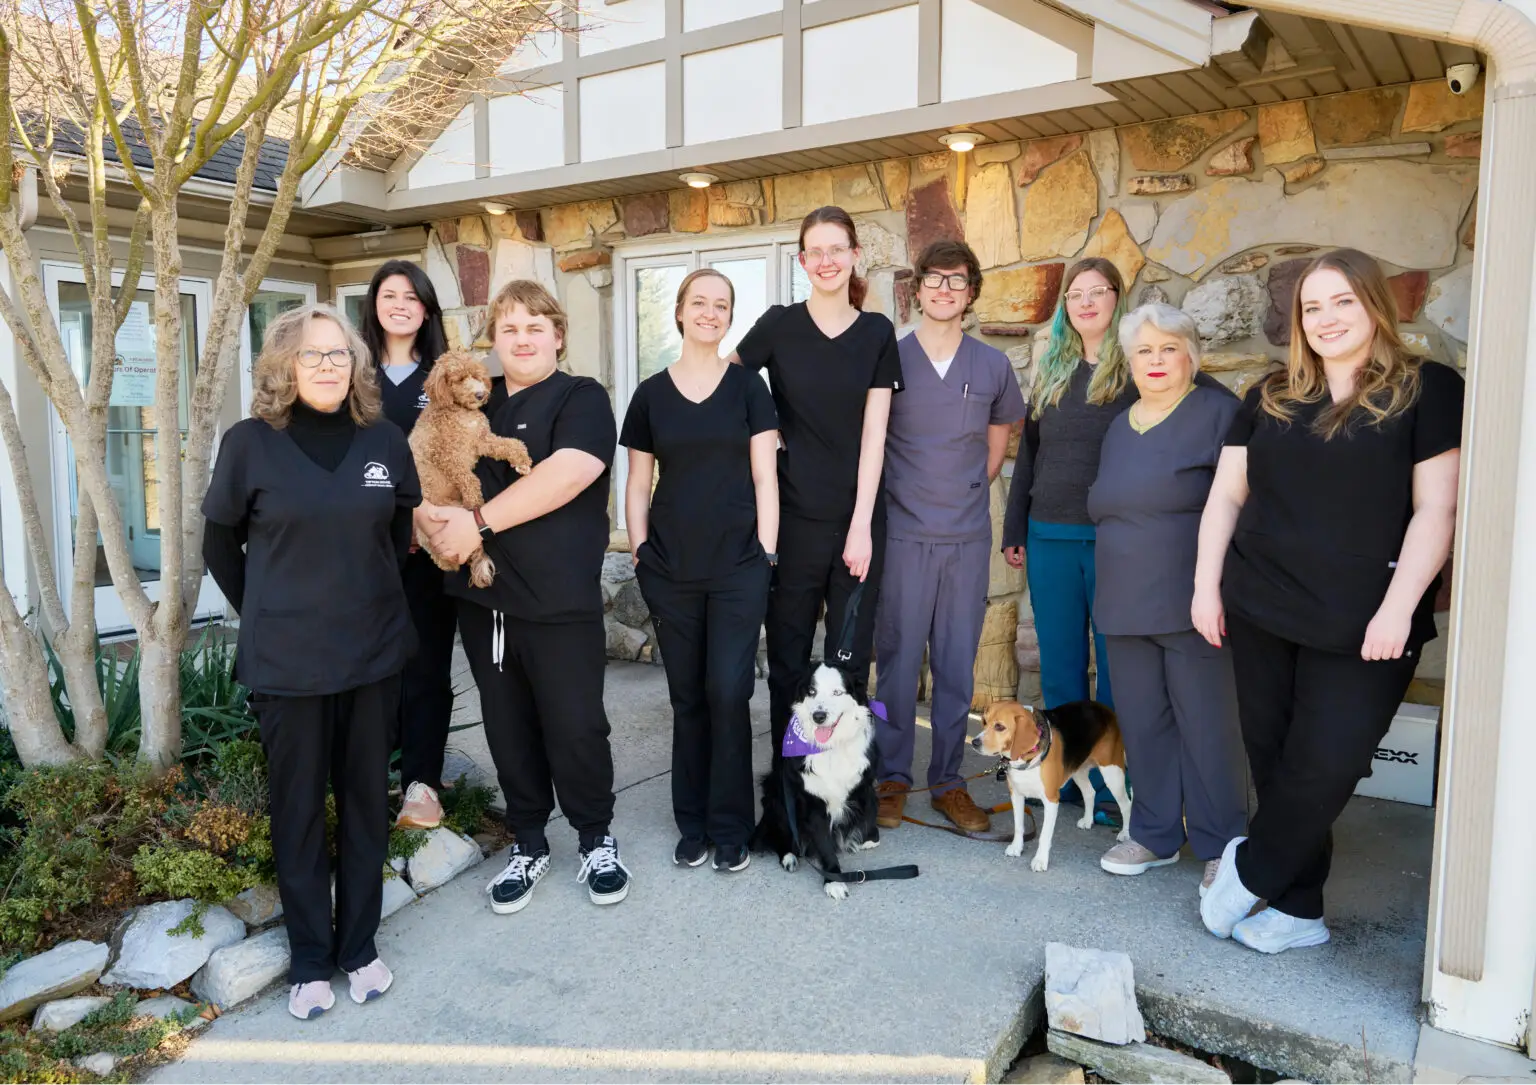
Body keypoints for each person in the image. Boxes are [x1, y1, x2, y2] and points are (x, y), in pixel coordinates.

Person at [1194, 249, 1462, 953]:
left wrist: (1400, 608)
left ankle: (1249, 869)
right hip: (1260, 604)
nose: (1326, 319)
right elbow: (1226, 495)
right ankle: (1298, 908)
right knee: (1275, 756)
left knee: (1327, 760)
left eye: (1341, 301)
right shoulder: (1272, 393)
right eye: (1313, 307)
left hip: (1366, 619)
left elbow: (1437, 510)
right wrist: (1205, 586)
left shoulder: (1428, 388)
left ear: (1375, 305)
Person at [202, 303, 416, 1020]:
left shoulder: (385, 440)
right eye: (312, 355)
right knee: (296, 811)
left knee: (364, 807)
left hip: (372, 653)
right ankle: (311, 961)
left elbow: (400, 534)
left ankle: (359, 947)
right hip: (287, 663)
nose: (328, 366)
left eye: (338, 354)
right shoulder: (249, 444)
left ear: (356, 364)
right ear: (284, 366)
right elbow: (218, 545)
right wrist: (265, 608)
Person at [420, 279, 629, 915]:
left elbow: (570, 474)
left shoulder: (581, 397)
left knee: (576, 726)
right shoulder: (469, 409)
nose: (522, 339)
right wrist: (428, 520)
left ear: (558, 336)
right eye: (508, 329)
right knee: (508, 728)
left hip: (559, 600)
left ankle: (596, 837)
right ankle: (530, 841)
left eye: (535, 328)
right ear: (493, 342)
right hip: (486, 602)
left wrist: (478, 524)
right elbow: (427, 469)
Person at [622, 269, 780, 873]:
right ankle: (692, 823)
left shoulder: (748, 390)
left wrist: (765, 552)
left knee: (728, 692)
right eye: (700, 303)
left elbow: (766, 477)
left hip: (740, 568)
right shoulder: (650, 395)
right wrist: (640, 551)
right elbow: (638, 484)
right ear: (681, 314)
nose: (710, 313)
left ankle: (731, 825)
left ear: (728, 317)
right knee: (687, 698)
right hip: (670, 569)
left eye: (722, 305)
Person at [728, 206, 901, 757]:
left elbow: (875, 435)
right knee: (788, 661)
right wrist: (767, 432)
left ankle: (842, 789)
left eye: (837, 249)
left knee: (849, 664)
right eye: (815, 251)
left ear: (854, 256)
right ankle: (791, 790)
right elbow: (725, 383)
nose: (826, 260)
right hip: (792, 520)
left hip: (857, 522)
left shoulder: (876, 332)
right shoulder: (779, 325)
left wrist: (861, 528)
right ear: (803, 261)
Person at [1086, 303, 1247, 895]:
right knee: (1144, 724)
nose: (1156, 361)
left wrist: (1216, 589)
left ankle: (1221, 843)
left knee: (1208, 726)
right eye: (1143, 351)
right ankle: (1154, 834)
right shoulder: (1117, 425)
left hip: (1193, 601)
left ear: (1191, 356)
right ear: (1129, 362)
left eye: (1168, 349)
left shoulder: (1220, 414)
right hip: (1124, 602)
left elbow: (1241, 508)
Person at [873, 239, 1025, 833]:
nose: (944, 289)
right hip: (905, 534)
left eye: (956, 280)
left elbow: (997, 441)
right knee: (895, 664)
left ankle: (947, 782)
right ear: (917, 289)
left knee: (958, 666)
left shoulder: (990, 365)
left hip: (965, 537)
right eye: (933, 279)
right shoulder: (890, 359)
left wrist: (963, 489)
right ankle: (890, 778)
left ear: (971, 290)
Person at [358, 259, 459, 831]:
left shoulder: (443, 379)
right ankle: (367, 776)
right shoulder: (351, 374)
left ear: (426, 309)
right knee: (367, 665)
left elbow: (457, 458)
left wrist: (435, 523)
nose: (399, 304)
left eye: (411, 296)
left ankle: (421, 783)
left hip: (428, 550)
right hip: (362, 549)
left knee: (425, 663)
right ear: (374, 304)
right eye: (388, 294)